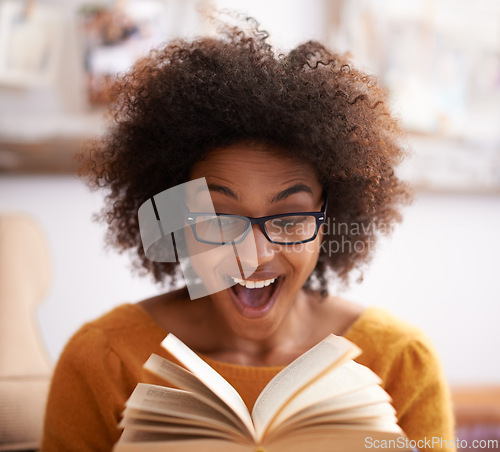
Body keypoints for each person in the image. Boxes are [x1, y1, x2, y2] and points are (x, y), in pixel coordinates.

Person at [41, 17, 455, 452]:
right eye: (220, 218)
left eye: (290, 218)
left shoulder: (400, 362)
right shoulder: (105, 360)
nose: (254, 255)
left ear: (329, 218)